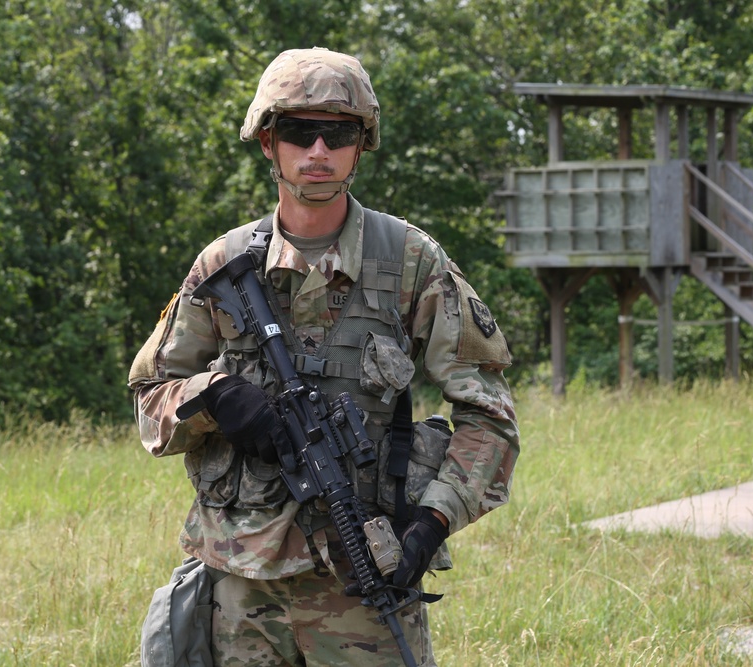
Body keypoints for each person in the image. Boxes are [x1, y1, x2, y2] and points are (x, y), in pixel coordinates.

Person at [128, 47, 519, 666]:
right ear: (267, 142)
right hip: (240, 587)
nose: (317, 151)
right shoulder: (223, 265)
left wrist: (432, 522)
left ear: (360, 145)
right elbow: (151, 399)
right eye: (298, 131)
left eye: (337, 133)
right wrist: (213, 398)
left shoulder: (411, 261)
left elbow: (489, 415)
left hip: (363, 582)